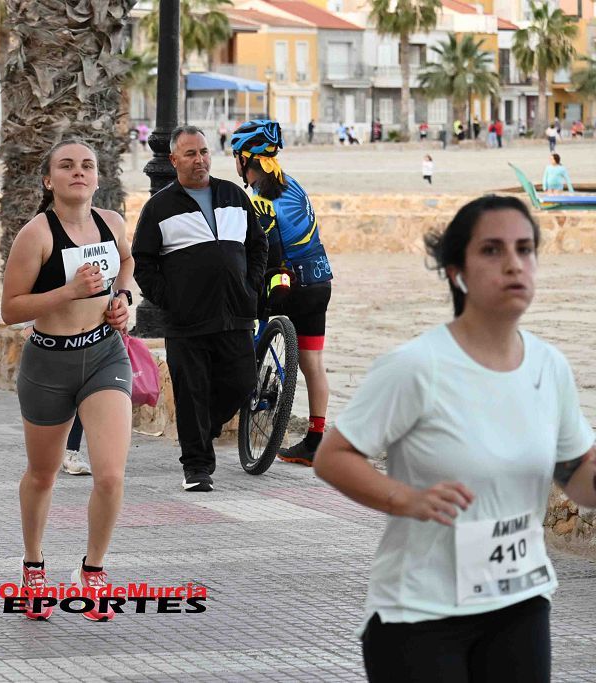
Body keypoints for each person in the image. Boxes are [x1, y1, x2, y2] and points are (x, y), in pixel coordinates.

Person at [314, 195, 596, 682]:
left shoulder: (550, 367)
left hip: (521, 603)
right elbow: (332, 456)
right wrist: (405, 497)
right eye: (491, 250)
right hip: (420, 614)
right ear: (454, 271)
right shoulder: (416, 366)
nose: (513, 263)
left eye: (525, 249)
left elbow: (577, 477)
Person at [1, 139, 134, 621]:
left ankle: (92, 572)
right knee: (43, 473)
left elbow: (127, 262)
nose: (78, 172)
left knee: (112, 475)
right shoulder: (36, 235)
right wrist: (67, 292)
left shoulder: (112, 223)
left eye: (87, 166)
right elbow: (10, 309)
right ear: (48, 179)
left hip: (104, 354)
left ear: (98, 177)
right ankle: (33, 565)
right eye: (66, 165)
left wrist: (123, 299)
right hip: (49, 362)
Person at [132, 126, 268, 492]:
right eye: (190, 154)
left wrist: (250, 286)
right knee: (191, 392)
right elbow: (143, 262)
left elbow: (258, 246)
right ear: (174, 160)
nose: (200, 159)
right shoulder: (160, 206)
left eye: (204, 152)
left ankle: (202, 431)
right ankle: (196, 467)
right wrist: (169, 299)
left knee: (242, 383)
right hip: (186, 321)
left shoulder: (233, 195)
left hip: (235, 313)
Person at [232, 120, 333, 466]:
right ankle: (316, 438)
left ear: (246, 159)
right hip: (320, 282)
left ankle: (254, 387)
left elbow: (267, 252)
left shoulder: (258, 197)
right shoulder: (294, 186)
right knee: (313, 363)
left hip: (287, 282)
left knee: (247, 322)